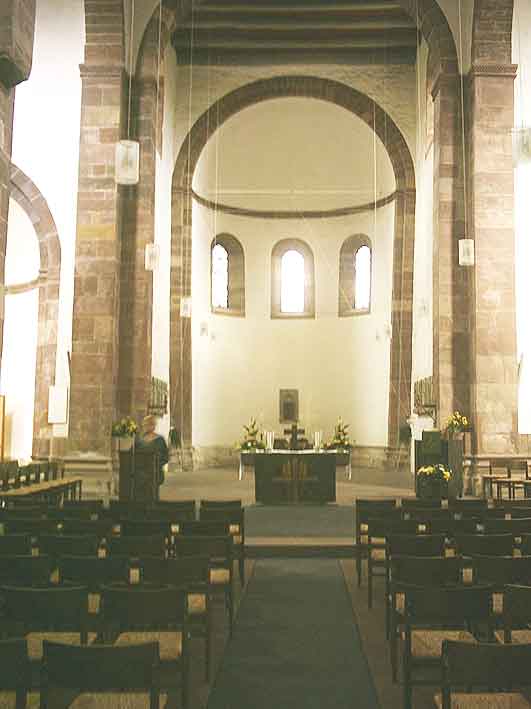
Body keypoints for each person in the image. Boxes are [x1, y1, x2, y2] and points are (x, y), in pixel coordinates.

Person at [135, 415, 169, 486]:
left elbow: (165, 457)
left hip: (155, 472)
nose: (144, 427)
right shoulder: (140, 440)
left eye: (146, 425)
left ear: (153, 425)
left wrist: (157, 464)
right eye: (144, 425)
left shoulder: (160, 440)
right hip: (141, 473)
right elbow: (134, 453)